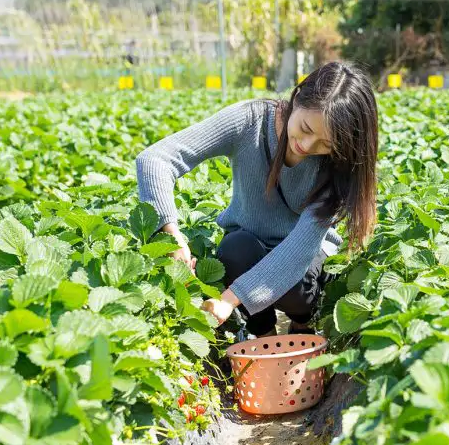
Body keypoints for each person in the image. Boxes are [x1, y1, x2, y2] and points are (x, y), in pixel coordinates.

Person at [135, 61, 378, 337]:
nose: (307, 146)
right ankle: (262, 333)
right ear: (297, 98)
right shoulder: (249, 121)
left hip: (303, 264)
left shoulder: (338, 167)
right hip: (250, 246)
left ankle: (304, 321)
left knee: (297, 289)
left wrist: (227, 300)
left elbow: (295, 256)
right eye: (306, 128)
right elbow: (155, 159)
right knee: (235, 250)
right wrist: (170, 233)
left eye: (326, 143)